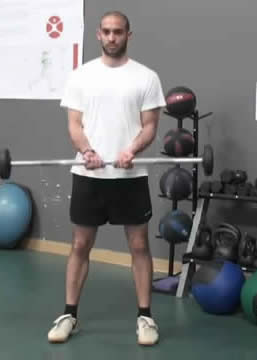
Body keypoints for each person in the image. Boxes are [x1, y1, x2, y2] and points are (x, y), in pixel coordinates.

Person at [47, 11, 166, 346]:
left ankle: (146, 317)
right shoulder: (81, 76)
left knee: (139, 246)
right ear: (98, 35)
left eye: (119, 32)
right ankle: (69, 313)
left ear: (129, 34)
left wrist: (131, 150)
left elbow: (150, 128)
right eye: (107, 32)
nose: (113, 38)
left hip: (130, 175)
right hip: (89, 174)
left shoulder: (146, 78)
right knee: (80, 245)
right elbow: (74, 125)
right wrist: (86, 151)